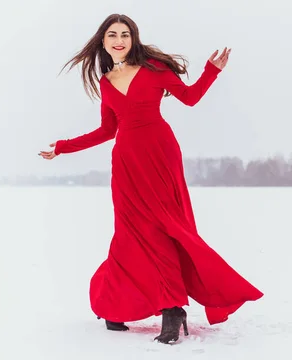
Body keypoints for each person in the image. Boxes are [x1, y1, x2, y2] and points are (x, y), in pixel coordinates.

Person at [39, 14, 263, 344]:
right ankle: (117, 305)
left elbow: (189, 97)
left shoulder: (156, 69)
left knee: (164, 228)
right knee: (130, 233)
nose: (119, 39)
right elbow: (107, 130)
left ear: (134, 39)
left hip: (159, 155)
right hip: (126, 163)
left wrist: (212, 71)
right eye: (112, 34)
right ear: (103, 40)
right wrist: (63, 147)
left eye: (125, 34)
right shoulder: (106, 81)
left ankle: (172, 309)